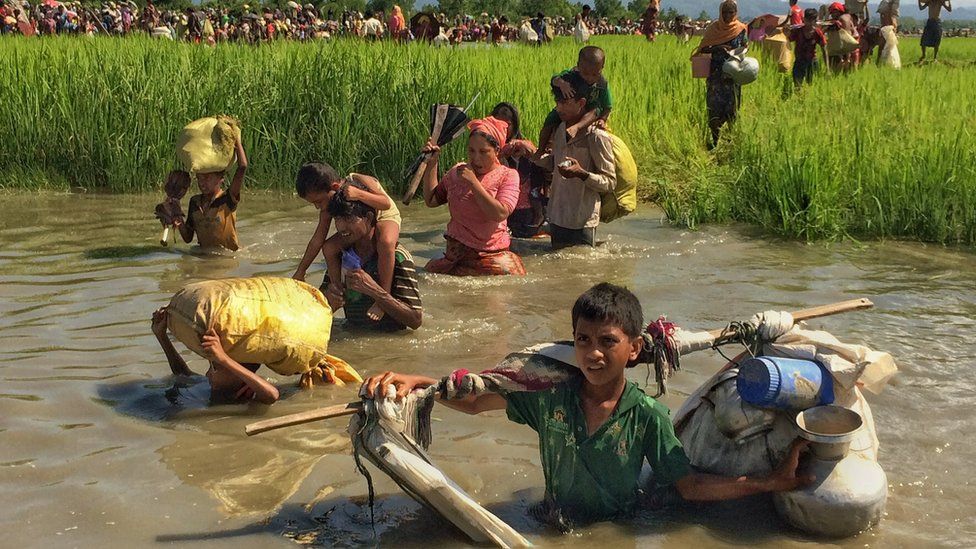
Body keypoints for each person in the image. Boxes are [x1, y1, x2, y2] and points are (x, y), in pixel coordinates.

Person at [360, 282, 812, 525]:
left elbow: (688, 486)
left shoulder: (647, 415)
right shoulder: (550, 397)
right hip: (548, 517)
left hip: (616, 524)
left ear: (634, 349)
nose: (593, 353)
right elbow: (479, 403)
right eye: (583, 340)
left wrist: (768, 482)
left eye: (607, 342)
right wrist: (420, 383)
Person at [293, 162, 401, 323]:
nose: (318, 207)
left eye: (319, 201)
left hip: (384, 216)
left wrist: (358, 194)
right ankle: (339, 290)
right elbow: (318, 240)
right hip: (357, 224)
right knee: (329, 248)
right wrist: (301, 271)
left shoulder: (357, 180)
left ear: (335, 187)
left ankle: (382, 299)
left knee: (385, 242)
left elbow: (385, 203)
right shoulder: (328, 205)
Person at [420, 117, 526, 276]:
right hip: (455, 258)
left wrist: (474, 183)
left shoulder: (508, 176)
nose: (476, 158)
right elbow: (431, 200)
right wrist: (432, 164)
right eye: (471, 151)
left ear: (497, 151)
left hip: (491, 257)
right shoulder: (458, 172)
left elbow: (500, 213)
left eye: (483, 152)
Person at [320, 183, 423, 331]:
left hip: (390, 345)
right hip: (351, 334)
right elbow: (320, 305)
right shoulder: (340, 256)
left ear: (368, 218)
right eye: (337, 219)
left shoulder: (398, 257)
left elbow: (415, 320)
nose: (341, 227)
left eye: (349, 219)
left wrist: (375, 291)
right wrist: (329, 300)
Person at [535, 80, 616, 250]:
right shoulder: (559, 130)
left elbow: (609, 182)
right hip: (557, 216)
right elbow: (554, 164)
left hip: (583, 221)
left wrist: (581, 173)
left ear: (581, 103)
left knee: (583, 271)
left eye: (564, 103)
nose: (559, 108)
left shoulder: (596, 136)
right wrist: (530, 155)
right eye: (557, 102)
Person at [177, 134, 247, 251]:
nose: (202, 183)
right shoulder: (195, 202)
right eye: (199, 178)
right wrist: (177, 219)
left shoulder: (228, 199)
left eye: (207, 178)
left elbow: (242, 166)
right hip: (203, 256)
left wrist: (236, 141)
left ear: (221, 179)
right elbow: (188, 238)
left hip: (227, 258)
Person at [692, 0, 748, 148]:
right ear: (720, 12)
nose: (728, 15)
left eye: (731, 12)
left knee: (732, 110)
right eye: (725, 12)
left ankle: (730, 142)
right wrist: (718, 48)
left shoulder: (741, 29)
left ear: (736, 13)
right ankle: (715, 142)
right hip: (716, 75)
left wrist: (737, 53)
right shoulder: (713, 28)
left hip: (733, 76)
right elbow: (703, 48)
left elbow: (745, 47)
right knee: (714, 109)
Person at [539, 46, 613, 153]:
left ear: (602, 68)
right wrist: (562, 84)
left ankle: (577, 127)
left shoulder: (602, 84)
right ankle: (540, 149)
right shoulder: (571, 75)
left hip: (589, 110)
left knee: (596, 110)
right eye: (586, 73)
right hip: (569, 108)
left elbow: (607, 106)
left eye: (595, 74)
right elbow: (554, 79)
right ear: (578, 66)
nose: (590, 78)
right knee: (551, 119)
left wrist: (603, 119)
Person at [491, 102, 546, 239]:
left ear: (514, 125)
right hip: (499, 208)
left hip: (524, 209)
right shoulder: (488, 149)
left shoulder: (524, 145)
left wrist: (524, 151)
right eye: (498, 123)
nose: (503, 128)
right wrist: (501, 155)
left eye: (507, 124)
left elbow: (540, 166)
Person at [790, 8, 828, 88]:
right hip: (799, 62)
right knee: (797, 85)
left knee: (810, 85)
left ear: (815, 21)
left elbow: (824, 50)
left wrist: (827, 68)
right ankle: (798, 98)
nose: (810, 23)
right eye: (808, 20)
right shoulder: (798, 31)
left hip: (812, 62)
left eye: (812, 21)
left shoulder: (817, 33)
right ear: (804, 19)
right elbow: (788, 40)